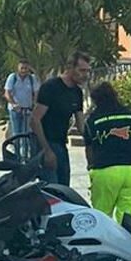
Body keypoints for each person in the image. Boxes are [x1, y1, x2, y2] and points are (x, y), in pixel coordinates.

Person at [83, 82, 131, 223]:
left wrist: (91, 167)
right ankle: (127, 243)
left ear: (95, 100)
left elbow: (89, 150)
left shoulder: (92, 121)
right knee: (130, 220)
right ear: (115, 96)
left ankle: (104, 244)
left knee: (102, 217)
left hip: (106, 171)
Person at [30, 52, 91, 186]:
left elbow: (81, 125)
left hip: (61, 144)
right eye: (81, 70)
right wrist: (46, 151)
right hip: (45, 142)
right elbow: (35, 120)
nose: (85, 75)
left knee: (64, 188)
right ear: (70, 68)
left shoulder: (77, 92)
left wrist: (96, 140)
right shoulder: (51, 87)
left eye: (87, 71)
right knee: (52, 189)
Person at [4, 60, 39, 153]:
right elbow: (7, 93)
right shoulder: (13, 78)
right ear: (18, 68)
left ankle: (26, 152)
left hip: (27, 109)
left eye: (26, 68)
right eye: (22, 68)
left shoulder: (32, 79)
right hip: (15, 109)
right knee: (17, 132)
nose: (24, 70)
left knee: (27, 132)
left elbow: (36, 92)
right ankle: (17, 153)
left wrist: (35, 103)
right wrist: (14, 104)